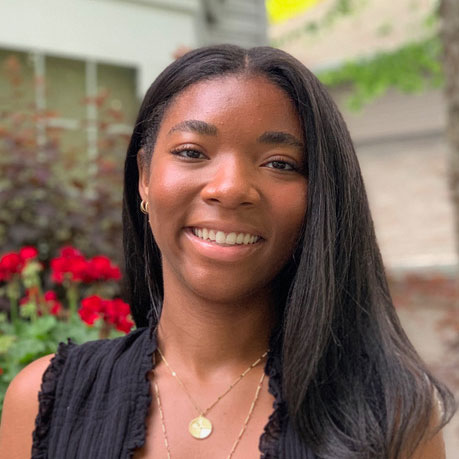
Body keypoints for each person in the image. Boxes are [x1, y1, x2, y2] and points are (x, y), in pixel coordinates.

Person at [0, 45, 455, 459]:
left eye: (279, 163)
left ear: (320, 196)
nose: (231, 188)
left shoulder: (391, 418)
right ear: (143, 177)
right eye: (193, 152)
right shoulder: (45, 401)